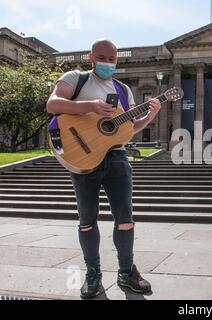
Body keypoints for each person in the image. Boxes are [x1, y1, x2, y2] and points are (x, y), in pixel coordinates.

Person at [47, 39, 161, 299]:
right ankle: (93, 274)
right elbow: (53, 104)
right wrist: (90, 106)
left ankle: (126, 271)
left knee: (125, 217)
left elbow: (127, 129)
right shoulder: (76, 78)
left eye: (112, 59)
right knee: (87, 219)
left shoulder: (122, 90)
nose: (108, 63)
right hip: (83, 160)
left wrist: (151, 115)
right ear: (91, 57)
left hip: (117, 158)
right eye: (102, 57)